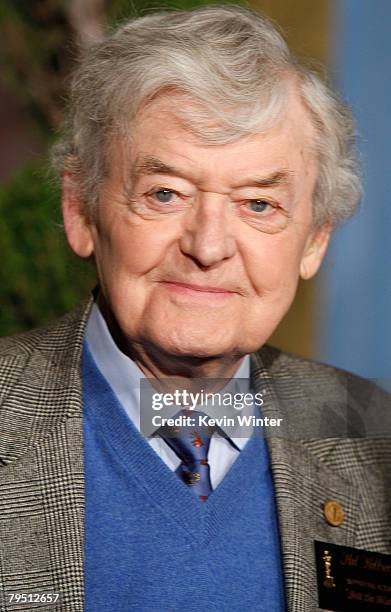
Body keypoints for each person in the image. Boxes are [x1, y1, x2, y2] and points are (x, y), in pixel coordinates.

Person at [0, 6, 390, 611]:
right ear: (81, 212)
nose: (208, 247)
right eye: (165, 194)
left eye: (259, 204)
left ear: (315, 240)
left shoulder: (371, 437)